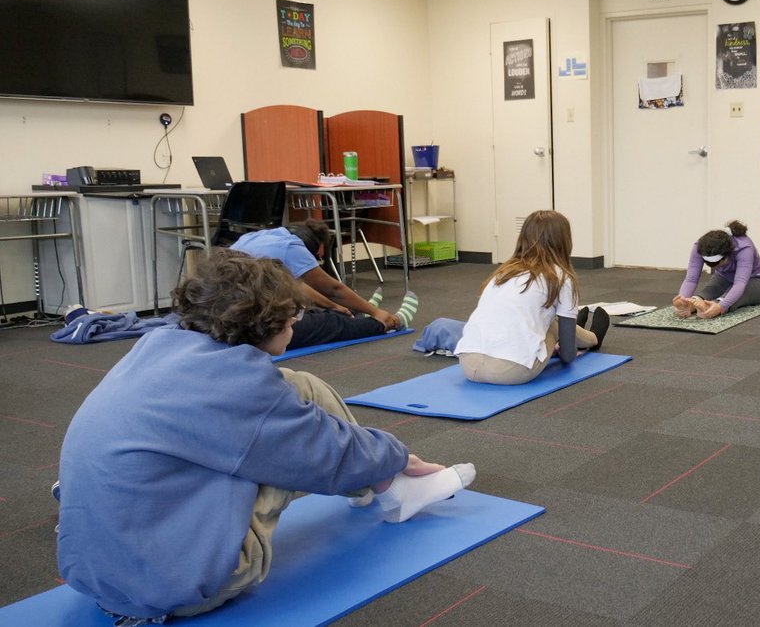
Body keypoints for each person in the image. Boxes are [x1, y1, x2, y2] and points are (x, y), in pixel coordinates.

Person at [56, 249, 474, 624]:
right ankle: (392, 486)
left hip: (93, 575)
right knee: (296, 448)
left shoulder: (157, 348)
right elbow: (325, 453)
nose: (296, 326)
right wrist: (398, 456)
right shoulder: (237, 389)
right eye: (294, 320)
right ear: (269, 324)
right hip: (179, 588)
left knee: (295, 386)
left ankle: (381, 485)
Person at [454, 210, 608, 385]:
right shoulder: (561, 277)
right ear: (564, 241)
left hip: (468, 365)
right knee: (553, 324)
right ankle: (593, 338)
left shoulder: (503, 272)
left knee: (534, 320)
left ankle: (573, 329)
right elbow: (567, 356)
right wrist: (560, 348)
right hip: (510, 372)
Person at [230, 219, 419, 349]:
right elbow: (333, 289)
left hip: (229, 319)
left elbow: (299, 287)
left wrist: (336, 306)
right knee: (330, 324)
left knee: (312, 313)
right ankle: (387, 323)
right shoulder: (292, 246)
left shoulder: (258, 237)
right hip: (256, 326)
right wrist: (375, 312)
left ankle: (354, 312)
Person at [673, 220, 760, 319]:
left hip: (757, 281)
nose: (717, 268)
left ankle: (710, 306)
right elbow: (691, 279)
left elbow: (740, 283)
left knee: (742, 292)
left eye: (719, 264)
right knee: (712, 287)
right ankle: (692, 304)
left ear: (727, 255)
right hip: (724, 278)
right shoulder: (699, 246)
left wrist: (721, 306)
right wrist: (683, 299)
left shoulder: (744, 248)